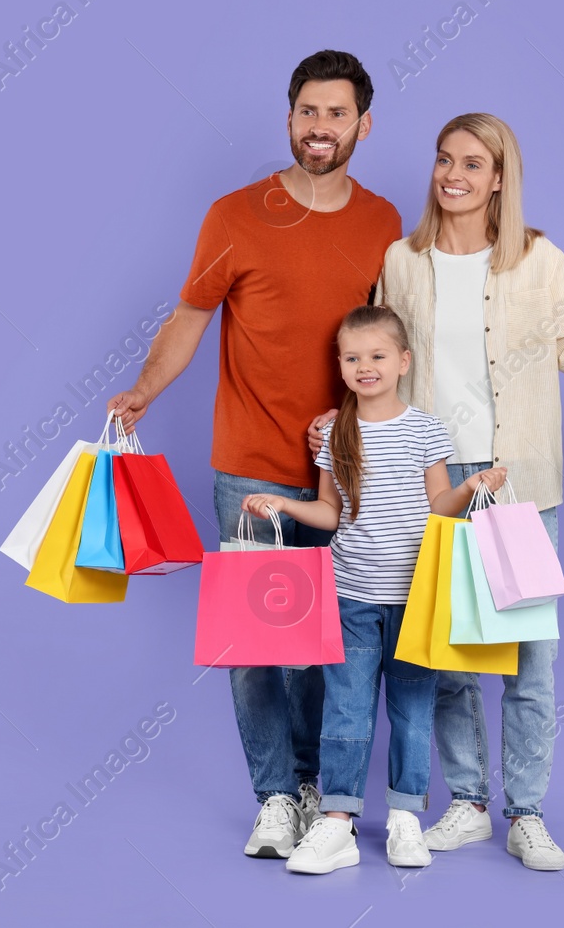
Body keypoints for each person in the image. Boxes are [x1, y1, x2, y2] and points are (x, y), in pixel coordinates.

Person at [308, 112, 564, 871]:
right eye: (445, 160)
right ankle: (468, 803)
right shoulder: (401, 260)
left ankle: (527, 812)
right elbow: (379, 360)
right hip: (431, 482)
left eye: (473, 164)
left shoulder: (540, 260)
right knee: (446, 655)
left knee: (528, 658)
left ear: (499, 177)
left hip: (519, 483)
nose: (453, 176)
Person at [108, 51, 403, 858]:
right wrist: (143, 391)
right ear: (289, 118)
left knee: (324, 646)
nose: (320, 127)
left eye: (337, 114)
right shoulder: (235, 214)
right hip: (246, 460)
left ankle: (315, 787)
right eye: (308, 111)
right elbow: (189, 317)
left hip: (342, 471)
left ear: (363, 125)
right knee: (256, 647)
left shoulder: (383, 224)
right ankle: (275, 796)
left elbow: (393, 347)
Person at [244, 306, 507, 873]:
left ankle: (406, 819)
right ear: (340, 366)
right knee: (346, 708)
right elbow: (330, 513)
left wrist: (472, 487)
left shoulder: (425, 429)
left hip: (417, 600)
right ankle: (337, 823)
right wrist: (284, 504)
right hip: (351, 598)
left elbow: (439, 507)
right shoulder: (336, 434)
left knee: (412, 710)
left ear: (403, 362)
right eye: (353, 357)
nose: (365, 367)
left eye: (377, 356)